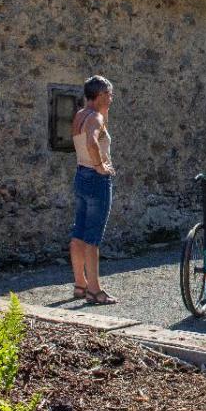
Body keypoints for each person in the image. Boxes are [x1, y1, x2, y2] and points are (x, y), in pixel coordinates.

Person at [69, 75, 117, 305]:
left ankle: (80, 284)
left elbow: (84, 142)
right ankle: (95, 291)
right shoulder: (95, 118)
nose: (111, 97)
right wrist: (101, 167)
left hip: (80, 174)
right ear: (99, 95)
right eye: (108, 94)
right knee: (93, 238)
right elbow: (91, 142)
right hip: (96, 179)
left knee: (78, 232)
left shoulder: (80, 114)